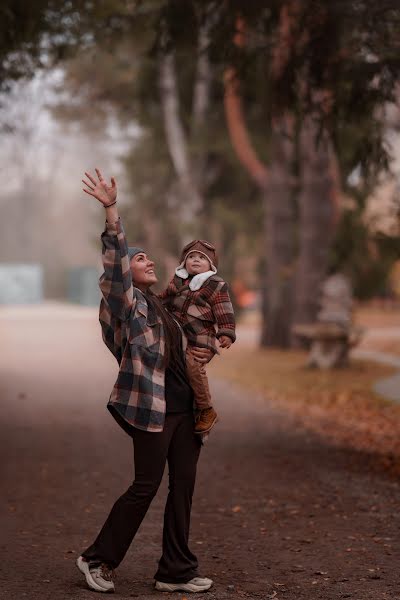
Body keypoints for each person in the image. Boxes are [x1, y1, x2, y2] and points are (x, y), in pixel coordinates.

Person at [76, 168, 214, 594]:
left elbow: (186, 344)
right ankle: (96, 559)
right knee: (145, 486)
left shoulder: (161, 307)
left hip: (185, 409)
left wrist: (205, 350)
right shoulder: (123, 304)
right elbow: (115, 263)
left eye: (149, 258)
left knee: (184, 487)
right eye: (140, 259)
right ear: (125, 272)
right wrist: (111, 209)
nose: (149, 261)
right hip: (151, 410)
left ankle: (175, 570)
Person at [159, 241, 236, 434]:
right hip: (177, 332)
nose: (196, 260)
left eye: (202, 258)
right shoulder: (177, 280)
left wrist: (226, 332)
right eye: (191, 257)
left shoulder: (216, 285)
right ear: (184, 262)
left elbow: (224, 311)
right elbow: (164, 299)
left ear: (211, 265)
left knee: (193, 366)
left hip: (201, 334)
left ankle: (206, 409)